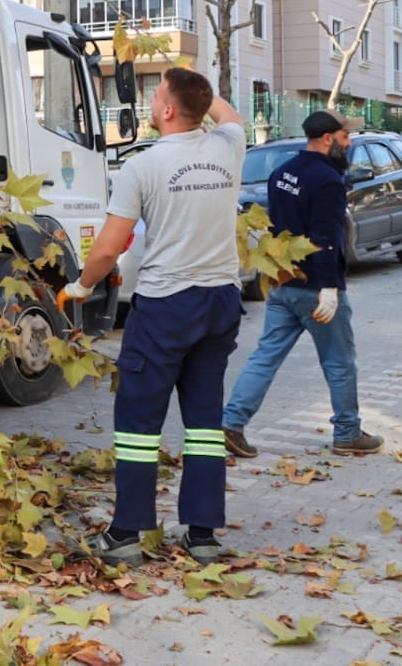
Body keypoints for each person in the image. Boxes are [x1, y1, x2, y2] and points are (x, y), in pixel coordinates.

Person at [60, 67, 246, 564]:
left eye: (157, 94)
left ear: (166, 110)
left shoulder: (142, 166)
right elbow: (226, 113)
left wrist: (82, 285)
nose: (150, 101)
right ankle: (202, 534)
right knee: (205, 420)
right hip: (221, 300)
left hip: (167, 304)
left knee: (139, 420)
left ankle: (126, 532)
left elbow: (108, 246)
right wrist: (201, 95)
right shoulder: (230, 146)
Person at [221, 110, 383, 458]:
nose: (349, 142)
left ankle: (231, 424)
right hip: (315, 290)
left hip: (282, 283)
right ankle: (347, 433)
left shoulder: (281, 173)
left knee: (265, 357)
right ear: (328, 139)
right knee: (339, 361)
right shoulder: (327, 180)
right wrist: (329, 288)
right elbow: (325, 237)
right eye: (344, 137)